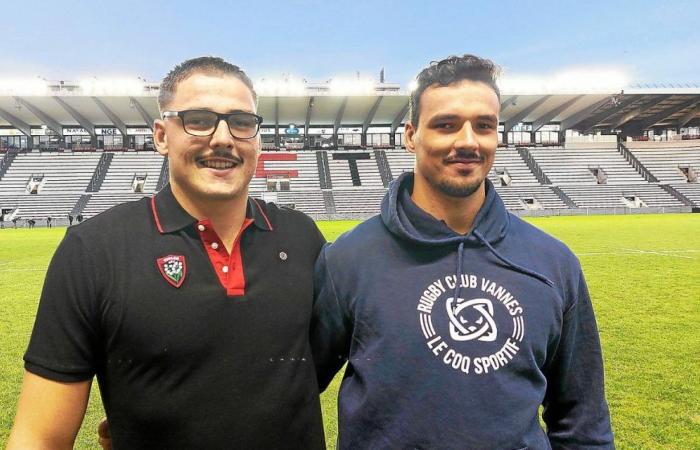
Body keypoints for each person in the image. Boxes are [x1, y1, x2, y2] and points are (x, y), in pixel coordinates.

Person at [8, 56, 326, 450]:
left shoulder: (303, 238)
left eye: (242, 122)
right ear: (161, 135)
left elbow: (309, 365)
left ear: (257, 138)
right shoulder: (93, 250)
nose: (223, 138)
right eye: (199, 119)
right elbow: (40, 437)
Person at [311, 55, 614, 449]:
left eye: (484, 126)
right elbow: (298, 386)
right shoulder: (349, 258)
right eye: (446, 125)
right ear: (410, 135)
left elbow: (582, 418)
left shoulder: (553, 263)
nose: (468, 142)